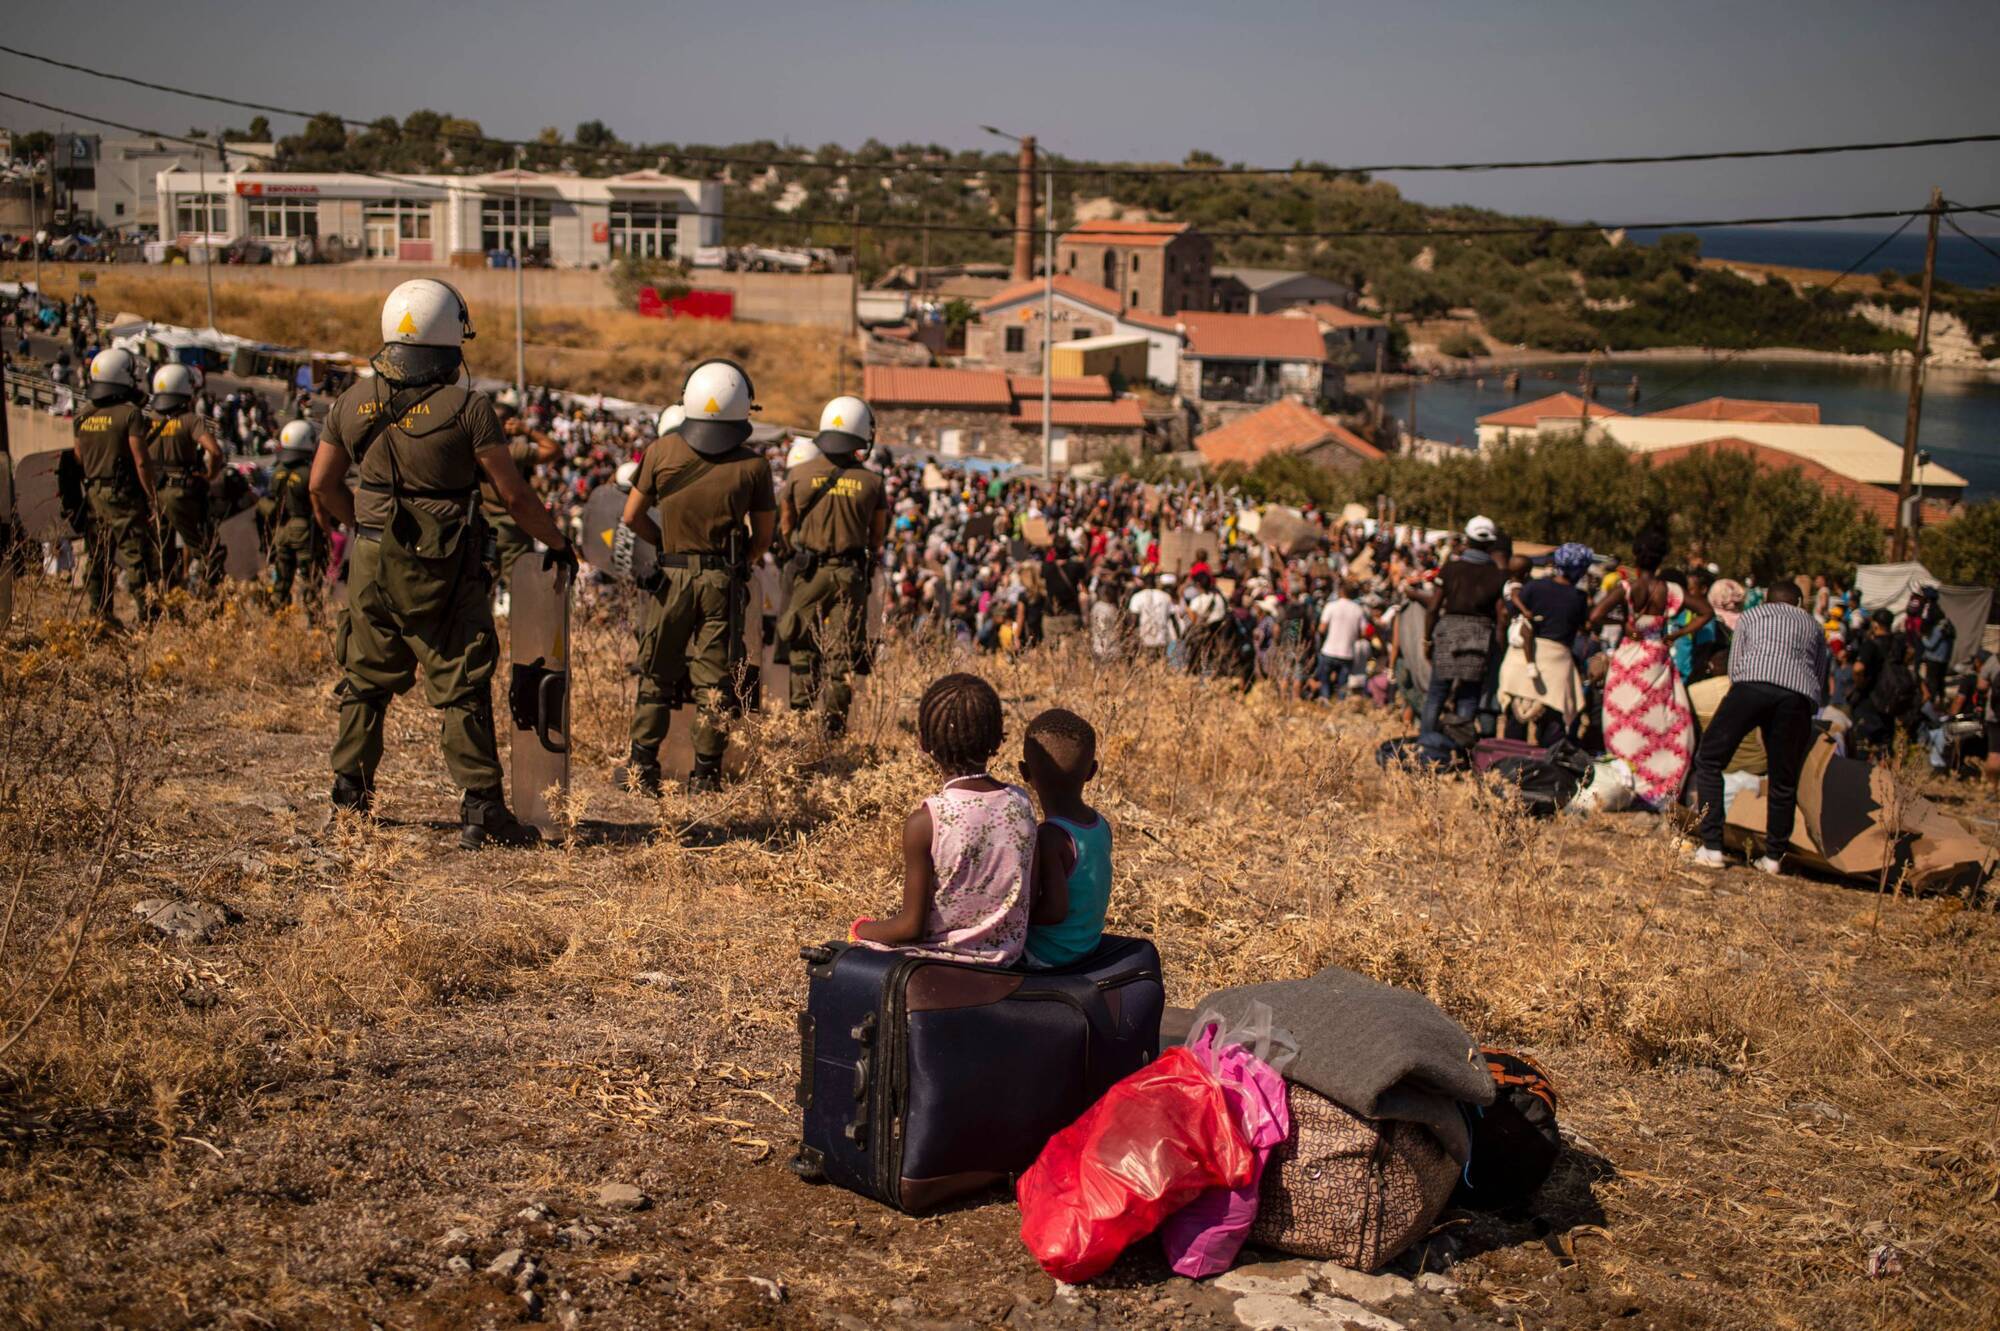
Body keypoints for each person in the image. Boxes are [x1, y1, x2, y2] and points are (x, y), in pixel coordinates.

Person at [309, 279, 576, 847]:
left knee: (364, 680)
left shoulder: (350, 401)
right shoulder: (470, 408)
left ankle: (350, 800)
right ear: (452, 336)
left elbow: (321, 485)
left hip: (370, 558)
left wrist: (364, 529)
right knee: (462, 678)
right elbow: (514, 496)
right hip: (444, 563)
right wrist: (557, 543)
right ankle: (482, 810)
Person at [619, 360, 775, 795]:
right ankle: (705, 775)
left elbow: (631, 517)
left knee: (656, 672)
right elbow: (764, 537)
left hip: (670, 579)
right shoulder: (754, 467)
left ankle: (642, 769)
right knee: (714, 682)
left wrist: (665, 544)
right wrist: (738, 563)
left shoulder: (660, 451)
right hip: (721, 582)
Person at [852, 674, 1035, 965]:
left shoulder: (927, 822)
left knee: (845, 956)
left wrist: (861, 929)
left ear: (923, 742)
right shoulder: (1021, 802)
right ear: (997, 738)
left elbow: (910, 928)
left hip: (938, 966)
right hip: (1007, 962)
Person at [1688, 581, 1829, 873]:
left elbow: (1736, 665)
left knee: (1710, 759)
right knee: (1782, 778)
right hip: (1796, 697)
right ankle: (1773, 858)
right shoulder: (1814, 626)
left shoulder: (1752, 616)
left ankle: (1712, 847)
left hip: (1752, 685)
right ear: (1799, 603)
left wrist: (1743, 701)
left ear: (1766, 600)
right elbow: (1818, 673)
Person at [779, 394, 886, 735]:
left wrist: (799, 549)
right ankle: (834, 726)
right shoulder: (873, 483)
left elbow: (785, 526)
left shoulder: (799, 474)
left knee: (802, 645)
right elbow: (877, 537)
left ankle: (800, 716)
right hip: (849, 575)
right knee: (843, 652)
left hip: (809, 572)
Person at [1587, 529, 1694, 810]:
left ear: (1635, 557)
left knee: (1623, 722)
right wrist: (1676, 634)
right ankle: (1658, 787)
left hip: (1627, 660)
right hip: (1656, 659)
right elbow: (1705, 611)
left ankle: (1625, 781)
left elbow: (1595, 615)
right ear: (1661, 559)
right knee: (1660, 722)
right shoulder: (1670, 590)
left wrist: (1623, 623)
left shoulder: (1626, 589)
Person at [70, 347, 158, 628]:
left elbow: (78, 458)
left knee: (98, 556)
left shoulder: (82, 416)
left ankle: (99, 614)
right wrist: (152, 497)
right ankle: (148, 617)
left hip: (93, 494)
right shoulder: (130, 415)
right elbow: (141, 461)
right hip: (123, 496)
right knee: (136, 556)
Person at [1022, 708, 1112, 970]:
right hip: (1087, 946)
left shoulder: (1051, 837)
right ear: (1092, 771)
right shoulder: (1100, 824)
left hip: (1049, 956)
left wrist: (1014, 918)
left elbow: (1054, 911)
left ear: (1024, 772)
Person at [1412, 516, 1505, 747]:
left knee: (1436, 693)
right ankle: (1459, 748)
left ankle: (1427, 747)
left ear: (1467, 540)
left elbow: (1433, 607)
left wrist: (1427, 639)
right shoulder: (1497, 575)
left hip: (1448, 633)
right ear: (1490, 544)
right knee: (1468, 696)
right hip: (1480, 636)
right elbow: (1501, 615)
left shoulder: (1451, 568)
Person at [142, 363, 226, 595]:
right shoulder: (190, 420)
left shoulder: (148, 420)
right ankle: (209, 598)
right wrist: (210, 475)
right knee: (205, 548)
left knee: (163, 552)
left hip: (155, 492)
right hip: (181, 493)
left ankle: (165, 598)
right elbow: (215, 451)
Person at [1497, 542, 1592, 745]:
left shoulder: (1535, 587)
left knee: (1515, 723)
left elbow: (1507, 612)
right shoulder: (1579, 598)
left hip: (1521, 661)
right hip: (1557, 666)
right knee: (1553, 726)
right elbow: (1584, 627)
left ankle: (1509, 763)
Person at [481, 388, 561, 587]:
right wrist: (527, 430)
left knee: (482, 584)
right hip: (513, 528)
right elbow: (553, 450)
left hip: (483, 525)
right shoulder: (512, 452)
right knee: (519, 585)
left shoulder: (476, 451)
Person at [263, 419, 325, 608]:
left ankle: (275, 610)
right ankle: (313, 615)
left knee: (282, 577)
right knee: (310, 577)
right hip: (303, 530)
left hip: (281, 530)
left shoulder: (277, 472)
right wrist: (327, 532)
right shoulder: (308, 473)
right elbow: (317, 507)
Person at [1313, 579, 1366, 701]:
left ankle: (1325, 700)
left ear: (1341, 591)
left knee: (1325, 681)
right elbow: (1363, 632)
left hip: (1329, 650)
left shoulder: (1331, 606)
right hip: (1347, 653)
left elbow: (1321, 629)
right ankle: (1340, 705)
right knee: (1342, 685)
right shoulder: (1358, 609)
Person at [1127, 573, 1176, 660]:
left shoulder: (1137, 597)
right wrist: (1178, 638)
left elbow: (1133, 621)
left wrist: (1130, 636)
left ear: (1143, 583)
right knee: (1159, 664)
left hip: (1144, 638)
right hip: (1162, 638)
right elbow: (1173, 619)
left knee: (1145, 664)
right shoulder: (1166, 597)